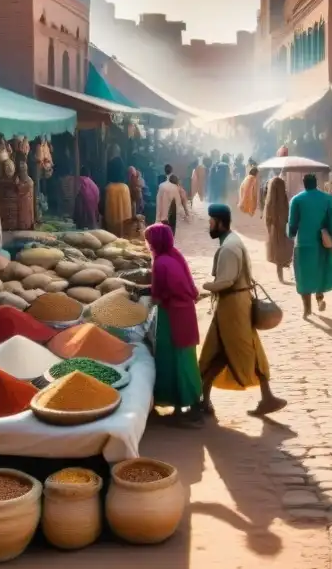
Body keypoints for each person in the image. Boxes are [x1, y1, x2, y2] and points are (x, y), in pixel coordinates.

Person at [199, 204, 286, 417]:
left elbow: (226, 281)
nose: (209, 226)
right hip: (236, 304)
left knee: (234, 350)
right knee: (222, 350)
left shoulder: (228, 247)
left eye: (211, 222)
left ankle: (203, 400)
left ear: (219, 222)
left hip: (233, 306)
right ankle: (204, 399)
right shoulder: (233, 240)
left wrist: (204, 287)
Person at [143, 223, 203, 425]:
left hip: (172, 316)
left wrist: (142, 305)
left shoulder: (160, 263)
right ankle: (194, 403)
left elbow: (159, 295)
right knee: (187, 359)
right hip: (186, 313)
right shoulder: (174, 255)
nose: (148, 245)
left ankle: (180, 408)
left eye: (149, 241)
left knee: (172, 360)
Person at [288, 173, 332, 318]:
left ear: (304, 183)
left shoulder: (296, 200)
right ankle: (319, 298)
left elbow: (292, 224)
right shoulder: (327, 198)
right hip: (321, 242)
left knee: (304, 275)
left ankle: (307, 309)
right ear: (316, 183)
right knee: (320, 271)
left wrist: (291, 235)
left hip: (303, 243)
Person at [263, 173, 293, 282]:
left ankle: (281, 277)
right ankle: (289, 273)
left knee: (278, 254)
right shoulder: (284, 200)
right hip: (284, 229)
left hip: (275, 231)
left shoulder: (269, 204)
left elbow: (267, 220)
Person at [104, 145, 131, 236]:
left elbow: (107, 214)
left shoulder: (109, 188)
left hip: (112, 231)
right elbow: (128, 213)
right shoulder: (125, 188)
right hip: (125, 229)